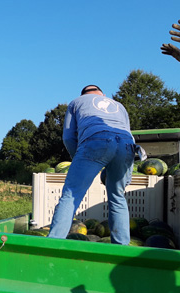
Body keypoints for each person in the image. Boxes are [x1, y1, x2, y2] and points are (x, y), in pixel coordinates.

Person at [47, 85, 135, 244]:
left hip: (96, 141)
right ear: (103, 95)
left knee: (71, 195)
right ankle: (122, 248)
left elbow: (68, 137)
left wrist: (78, 160)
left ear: (83, 95)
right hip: (127, 145)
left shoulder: (76, 102)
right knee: (117, 197)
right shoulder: (119, 105)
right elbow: (128, 135)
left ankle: (52, 245)